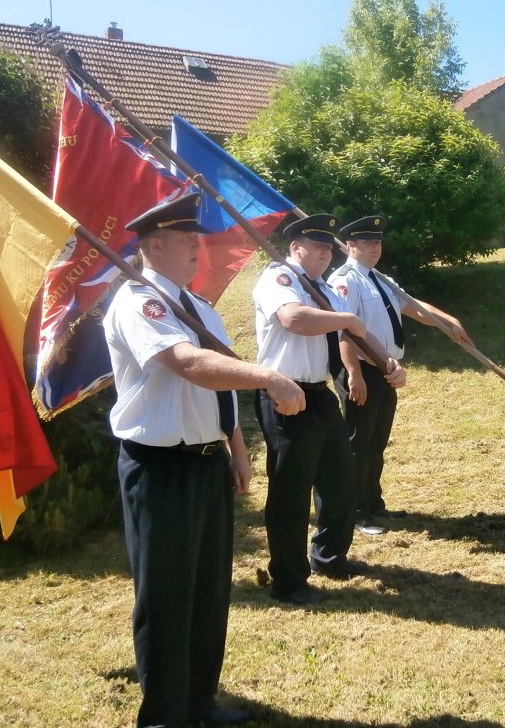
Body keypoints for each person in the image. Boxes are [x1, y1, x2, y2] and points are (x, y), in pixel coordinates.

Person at [104, 192, 305, 728]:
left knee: (208, 590)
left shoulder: (199, 308)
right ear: (154, 246)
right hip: (160, 467)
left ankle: (198, 704)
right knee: (167, 595)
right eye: (186, 239)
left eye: (197, 238)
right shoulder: (140, 302)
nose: (197, 246)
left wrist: (234, 449)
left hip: (207, 462)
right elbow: (189, 364)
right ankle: (164, 717)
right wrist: (268, 376)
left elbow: (216, 384)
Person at [252, 213, 406, 605]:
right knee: (291, 491)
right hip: (285, 393)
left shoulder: (322, 287)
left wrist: (387, 362)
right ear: (294, 247)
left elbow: (352, 333)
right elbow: (294, 319)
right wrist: (347, 318)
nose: (323, 253)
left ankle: (329, 556)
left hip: (319, 394)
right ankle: (288, 580)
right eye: (315, 246)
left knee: (340, 478)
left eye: (326, 247)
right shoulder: (279, 278)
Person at [328, 216, 472, 534]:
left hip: (385, 369)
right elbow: (343, 331)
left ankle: (373, 503)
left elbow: (413, 307)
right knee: (358, 442)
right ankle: (355, 511)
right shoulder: (344, 281)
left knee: (376, 440)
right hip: (362, 369)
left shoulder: (381, 279)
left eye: (378, 241)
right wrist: (353, 374)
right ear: (350, 245)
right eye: (368, 242)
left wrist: (448, 321)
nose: (375, 247)